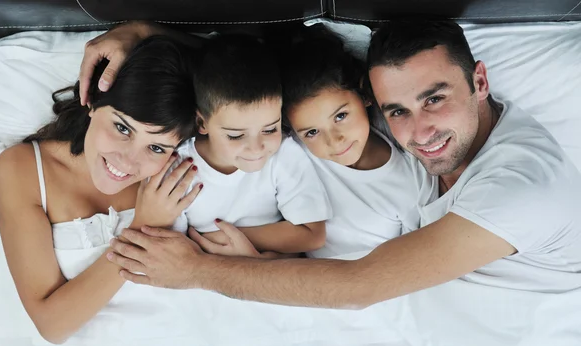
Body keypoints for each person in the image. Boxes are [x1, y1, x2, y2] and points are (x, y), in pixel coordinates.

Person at [87, 20, 581, 308]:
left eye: (435, 99)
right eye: (396, 111)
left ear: (479, 81)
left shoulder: (522, 189)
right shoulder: (375, 120)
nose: (419, 132)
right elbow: (262, 80)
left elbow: (358, 286)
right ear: (373, 101)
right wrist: (143, 33)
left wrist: (199, 271)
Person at [0, 36, 201, 344]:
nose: (129, 160)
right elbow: (52, 325)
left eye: (156, 146)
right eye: (122, 128)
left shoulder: (177, 168)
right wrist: (142, 228)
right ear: (93, 103)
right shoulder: (24, 169)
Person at [167, 34, 332, 254]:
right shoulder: (178, 168)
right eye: (235, 136)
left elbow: (313, 235)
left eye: (270, 129)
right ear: (201, 122)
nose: (256, 148)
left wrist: (226, 238)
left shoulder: (285, 153)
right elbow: (173, 249)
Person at [280, 27, 419, 258]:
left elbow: (414, 261)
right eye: (312, 132)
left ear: (364, 94)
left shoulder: (410, 182)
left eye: (341, 116)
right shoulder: (295, 151)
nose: (334, 141)